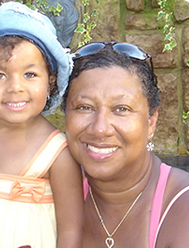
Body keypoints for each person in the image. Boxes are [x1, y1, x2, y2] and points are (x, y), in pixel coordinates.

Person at [0, 2, 84, 248]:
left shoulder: (57, 154)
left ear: (50, 82)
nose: (16, 87)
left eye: (30, 74)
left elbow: (71, 231)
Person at [62, 41, 189, 248]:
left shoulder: (182, 206)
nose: (100, 128)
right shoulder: (52, 196)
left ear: (151, 121)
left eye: (122, 109)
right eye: (84, 107)